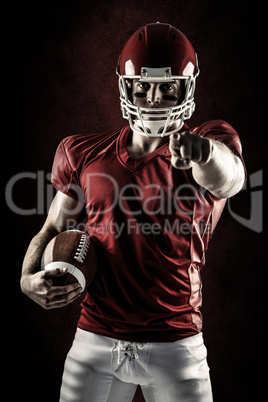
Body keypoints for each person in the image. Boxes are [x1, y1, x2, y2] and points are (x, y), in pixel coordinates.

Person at [20, 23, 246, 402]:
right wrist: (28, 277)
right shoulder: (83, 153)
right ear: (126, 86)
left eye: (167, 86)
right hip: (95, 338)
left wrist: (202, 152)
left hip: (177, 342)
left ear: (186, 88)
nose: (154, 98)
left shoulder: (212, 142)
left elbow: (230, 180)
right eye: (143, 86)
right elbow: (53, 226)